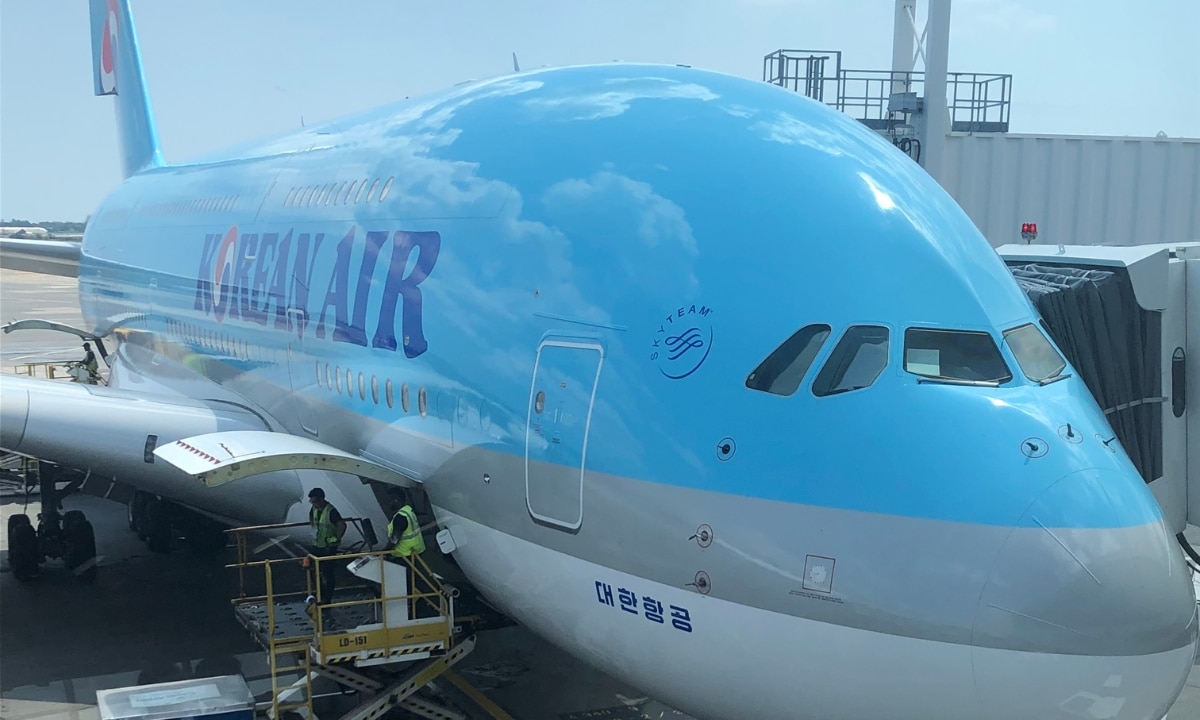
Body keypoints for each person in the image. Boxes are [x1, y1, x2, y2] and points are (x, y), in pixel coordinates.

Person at [307, 487, 346, 603]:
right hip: (317, 545)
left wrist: (335, 539)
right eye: (311, 502)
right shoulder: (313, 509)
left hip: (328, 547)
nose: (313, 504)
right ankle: (320, 593)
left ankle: (327, 598)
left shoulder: (331, 511)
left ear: (322, 499)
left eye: (315, 501)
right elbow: (313, 521)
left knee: (327, 573)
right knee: (312, 570)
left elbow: (342, 525)